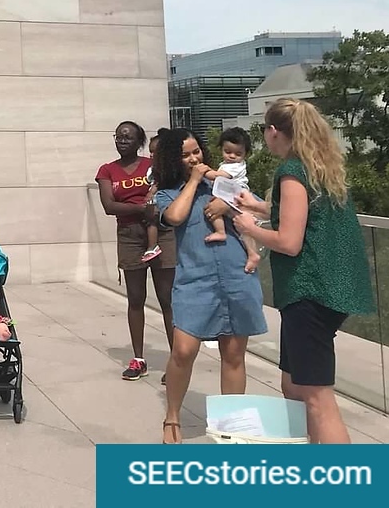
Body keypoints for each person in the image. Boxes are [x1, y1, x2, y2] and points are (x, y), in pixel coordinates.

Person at [224, 99, 375, 444]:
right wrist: (260, 206)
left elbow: (289, 241)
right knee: (292, 384)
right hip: (333, 288)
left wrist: (249, 226)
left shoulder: (291, 171)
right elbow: (305, 216)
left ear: (275, 132)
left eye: (265, 130)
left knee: (317, 397)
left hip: (310, 292)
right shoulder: (320, 166)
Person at [154, 128, 267, 445]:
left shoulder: (223, 182)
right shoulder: (166, 192)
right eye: (185, 155)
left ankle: (231, 424)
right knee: (183, 351)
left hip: (235, 275)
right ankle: (172, 415)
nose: (194, 159)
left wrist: (226, 206)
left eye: (196, 152)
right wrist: (192, 181)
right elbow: (174, 217)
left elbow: (258, 210)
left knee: (233, 354)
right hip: (195, 279)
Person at [96, 121, 175, 382]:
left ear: (139, 140)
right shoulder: (107, 170)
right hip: (129, 236)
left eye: (128, 137)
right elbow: (109, 205)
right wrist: (141, 209)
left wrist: (151, 210)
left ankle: (176, 361)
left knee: (167, 299)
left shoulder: (152, 164)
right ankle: (138, 359)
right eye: (118, 136)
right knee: (135, 298)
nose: (122, 140)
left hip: (161, 233)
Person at [202, 127, 261, 273]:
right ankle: (221, 232)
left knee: (244, 226)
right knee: (215, 210)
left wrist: (202, 170)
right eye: (227, 152)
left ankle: (252, 253)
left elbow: (218, 176)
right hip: (229, 194)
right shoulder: (226, 164)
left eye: (238, 153)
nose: (232, 156)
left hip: (236, 196)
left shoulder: (235, 166)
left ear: (245, 154)